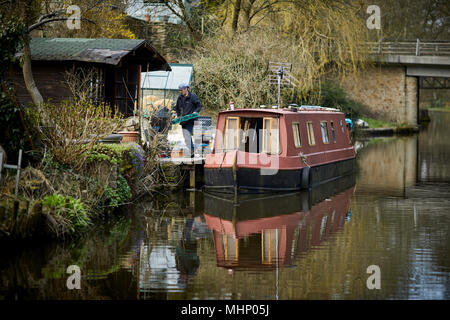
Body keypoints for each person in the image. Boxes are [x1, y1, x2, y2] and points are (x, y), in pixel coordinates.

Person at [174, 83, 202, 157]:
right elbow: (177, 108)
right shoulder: (179, 98)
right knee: (186, 137)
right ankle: (191, 151)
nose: (180, 91)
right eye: (179, 90)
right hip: (183, 120)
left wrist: (196, 111)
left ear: (186, 88)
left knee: (190, 135)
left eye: (182, 90)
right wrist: (178, 115)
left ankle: (194, 151)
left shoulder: (193, 97)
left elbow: (199, 106)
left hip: (191, 119)